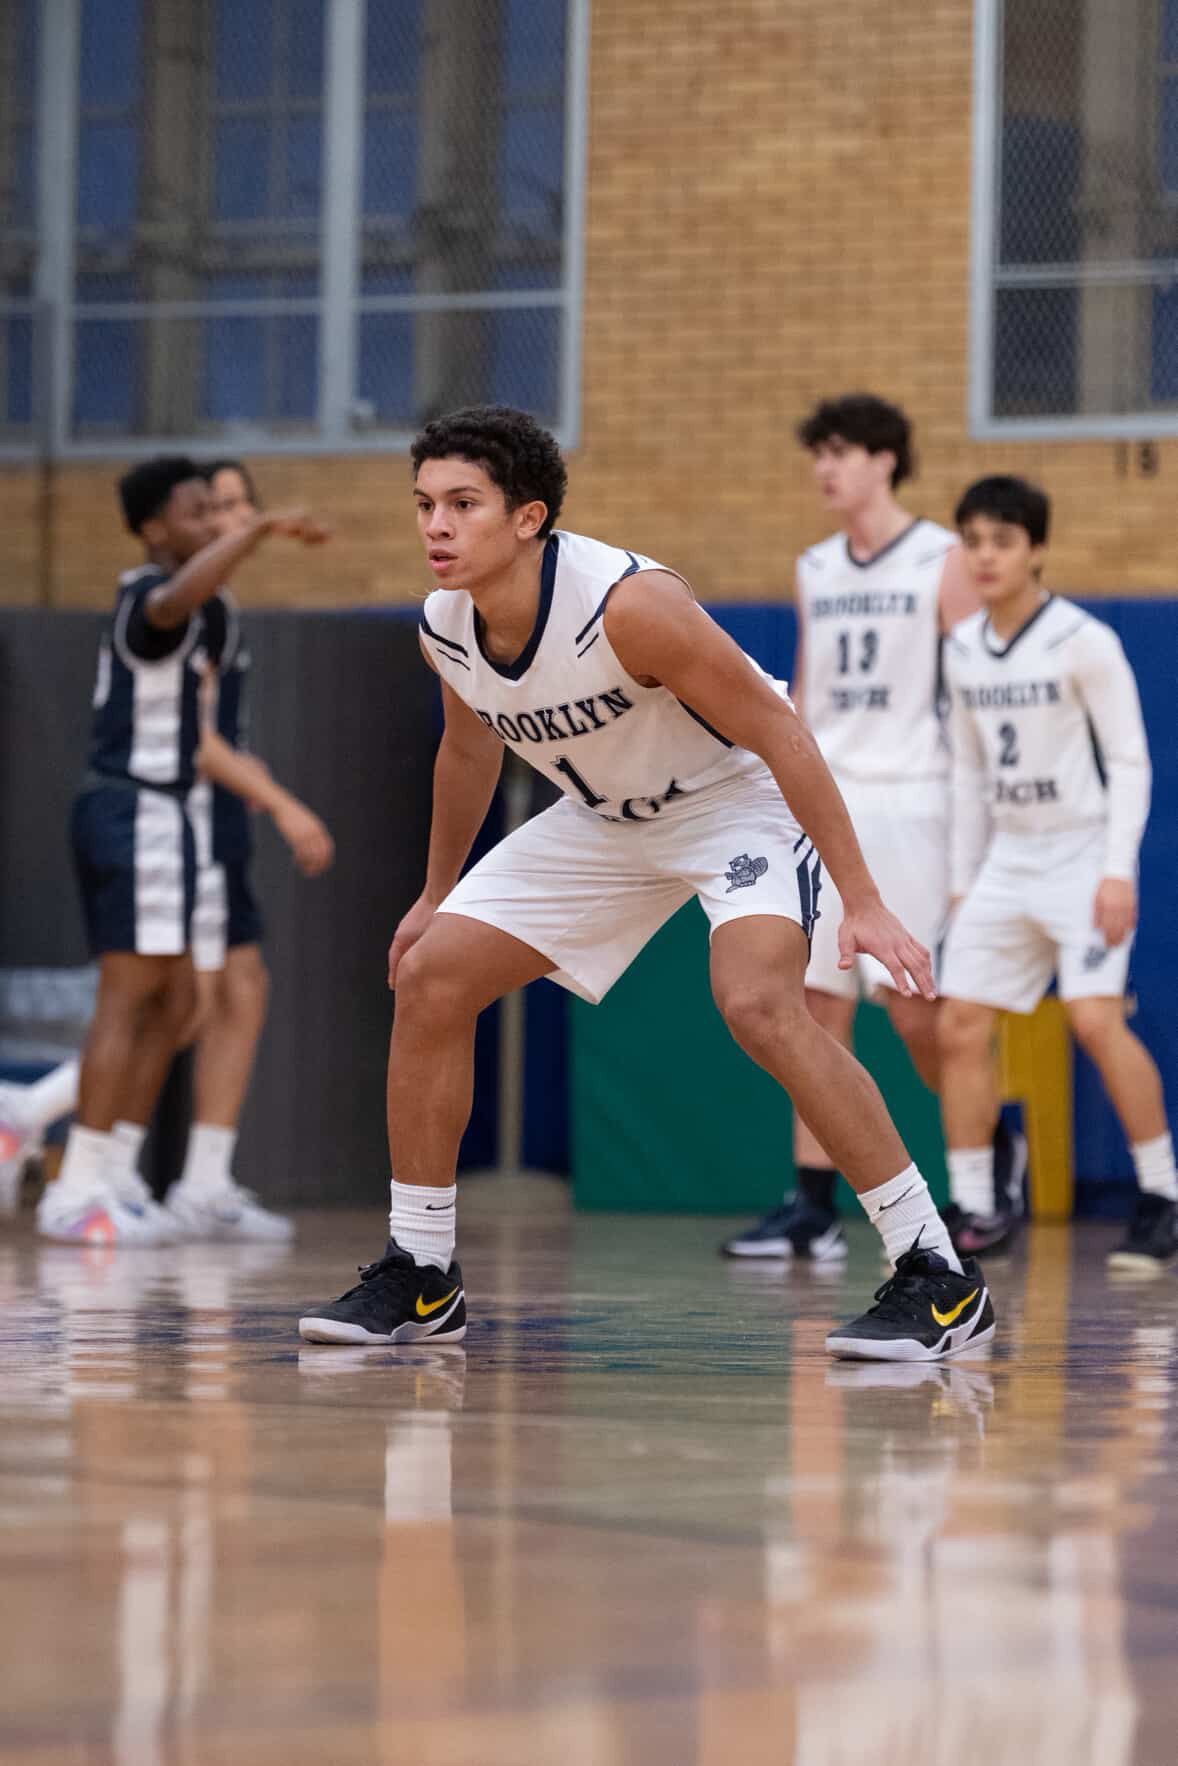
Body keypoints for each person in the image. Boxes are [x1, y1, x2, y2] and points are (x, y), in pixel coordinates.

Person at [300, 405, 996, 1361]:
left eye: (463, 504)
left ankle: (936, 1270)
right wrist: (433, 894)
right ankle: (422, 1274)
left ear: (528, 518)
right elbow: (465, 755)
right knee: (432, 977)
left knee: (758, 1003)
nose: (436, 526)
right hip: (603, 821)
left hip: (733, 800)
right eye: (423, 504)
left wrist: (863, 900)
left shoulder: (630, 606)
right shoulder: (445, 628)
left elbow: (780, 730)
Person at [723, 395, 1023, 1264]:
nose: (828, 468)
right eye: (820, 453)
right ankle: (813, 1203)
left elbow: (977, 693)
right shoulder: (815, 565)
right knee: (814, 1004)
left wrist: (982, 828)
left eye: (844, 452)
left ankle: (991, 1142)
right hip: (832, 799)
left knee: (916, 1011)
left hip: (917, 798)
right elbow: (807, 697)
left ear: (888, 460)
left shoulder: (942, 558)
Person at [36, 457, 326, 1246]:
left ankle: (119, 1170)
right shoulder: (147, 597)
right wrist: (259, 529)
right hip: (133, 810)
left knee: (179, 1002)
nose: (208, 522)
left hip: (171, 819)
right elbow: (175, 597)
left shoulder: (209, 612)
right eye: (195, 512)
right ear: (154, 527)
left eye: (216, 511)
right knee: (129, 997)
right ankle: (77, 1185)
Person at [938, 475, 1175, 1269]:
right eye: (972, 541)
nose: (985, 556)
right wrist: (963, 882)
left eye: (1002, 541)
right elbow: (967, 777)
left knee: (1095, 1020)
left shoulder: (1082, 639)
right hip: (1008, 860)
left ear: (1036, 549)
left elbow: (1132, 761)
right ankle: (975, 1204)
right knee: (959, 1023)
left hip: (1080, 856)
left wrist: (1117, 872)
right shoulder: (962, 647)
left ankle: (1162, 1195)